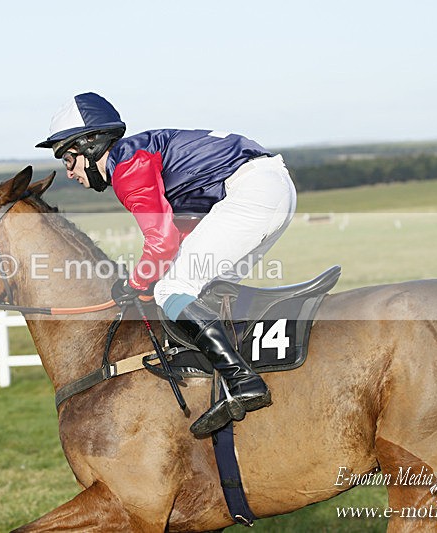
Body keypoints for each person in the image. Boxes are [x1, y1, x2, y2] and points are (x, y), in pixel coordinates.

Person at [36, 92, 297, 437]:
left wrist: (136, 284)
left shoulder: (128, 167)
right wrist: (149, 281)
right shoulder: (138, 156)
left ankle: (242, 380)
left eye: (69, 159)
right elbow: (180, 233)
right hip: (268, 188)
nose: (69, 172)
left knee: (174, 288)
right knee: (200, 290)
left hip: (253, 191)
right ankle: (229, 381)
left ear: (91, 145)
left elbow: (162, 243)